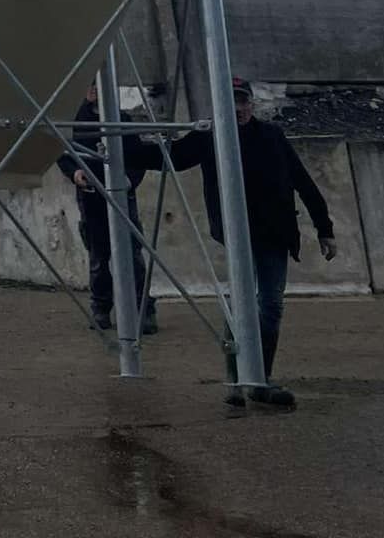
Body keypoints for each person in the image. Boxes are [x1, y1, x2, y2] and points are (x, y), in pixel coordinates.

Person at [169, 77, 337, 406]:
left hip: (275, 233)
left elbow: (302, 180)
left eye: (243, 101)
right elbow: (170, 159)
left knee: (271, 305)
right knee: (242, 304)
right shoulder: (208, 137)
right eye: (231, 102)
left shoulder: (272, 136)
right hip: (238, 234)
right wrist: (122, 152)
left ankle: (260, 379)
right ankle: (236, 379)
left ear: (252, 103)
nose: (239, 108)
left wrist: (325, 228)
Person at [56, 80, 158, 336]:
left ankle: (144, 310)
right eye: (89, 85)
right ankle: (101, 309)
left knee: (133, 256)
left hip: (123, 197)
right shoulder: (74, 122)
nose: (93, 90)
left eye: (98, 85)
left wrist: (128, 181)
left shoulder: (123, 120)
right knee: (99, 257)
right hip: (91, 198)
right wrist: (75, 173)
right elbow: (62, 153)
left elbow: (138, 156)